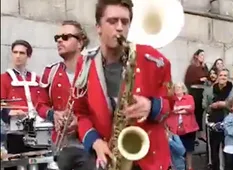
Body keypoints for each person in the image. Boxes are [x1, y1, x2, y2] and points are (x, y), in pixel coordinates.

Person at [73, 0, 173, 170]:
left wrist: (152, 106)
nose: (119, 28)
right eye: (112, 21)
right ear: (98, 27)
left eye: (125, 22)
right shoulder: (85, 63)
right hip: (110, 157)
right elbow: (81, 113)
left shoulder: (155, 60)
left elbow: (171, 103)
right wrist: (95, 142)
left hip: (151, 159)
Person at [36, 20, 90, 170]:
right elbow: (40, 104)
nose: (59, 40)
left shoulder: (94, 71)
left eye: (66, 37)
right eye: (57, 37)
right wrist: (53, 114)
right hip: (60, 146)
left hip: (89, 144)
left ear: (80, 43)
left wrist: (80, 121)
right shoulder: (50, 72)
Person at [0, 40, 45, 170]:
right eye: (15, 52)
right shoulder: (3, 78)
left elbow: (43, 103)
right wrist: (9, 112)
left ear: (28, 56)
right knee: (15, 166)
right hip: (15, 131)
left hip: (37, 131)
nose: (18, 56)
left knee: (40, 165)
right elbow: (1, 105)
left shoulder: (36, 79)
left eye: (22, 53)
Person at [202, 68, 233, 170]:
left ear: (228, 78)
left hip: (228, 122)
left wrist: (225, 104)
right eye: (221, 75)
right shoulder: (209, 90)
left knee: (226, 149)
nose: (223, 77)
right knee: (213, 149)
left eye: (225, 76)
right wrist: (213, 106)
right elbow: (204, 105)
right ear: (217, 77)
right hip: (213, 123)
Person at [167, 82, 198, 170]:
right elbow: (170, 110)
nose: (178, 89)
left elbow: (191, 108)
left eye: (180, 87)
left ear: (184, 89)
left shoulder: (189, 97)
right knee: (177, 149)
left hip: (189, 128)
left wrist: (178, 109)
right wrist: (184, 109)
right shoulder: (171, 99)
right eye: (176, 88)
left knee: (189, 149)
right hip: (175, 128)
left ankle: (189, 167)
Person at [184, 49, 208, 142]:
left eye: (204, 55)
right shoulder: (192, 67)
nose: (203, 57)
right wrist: (199, 79)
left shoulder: (204, 67)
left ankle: (201, 132)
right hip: (194, 91)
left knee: (201, 112)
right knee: (195, 112)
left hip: (203, 90)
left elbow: (208, 76)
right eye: (201, 55)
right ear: (196, 56)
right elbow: (188, 80)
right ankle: (194, 134)